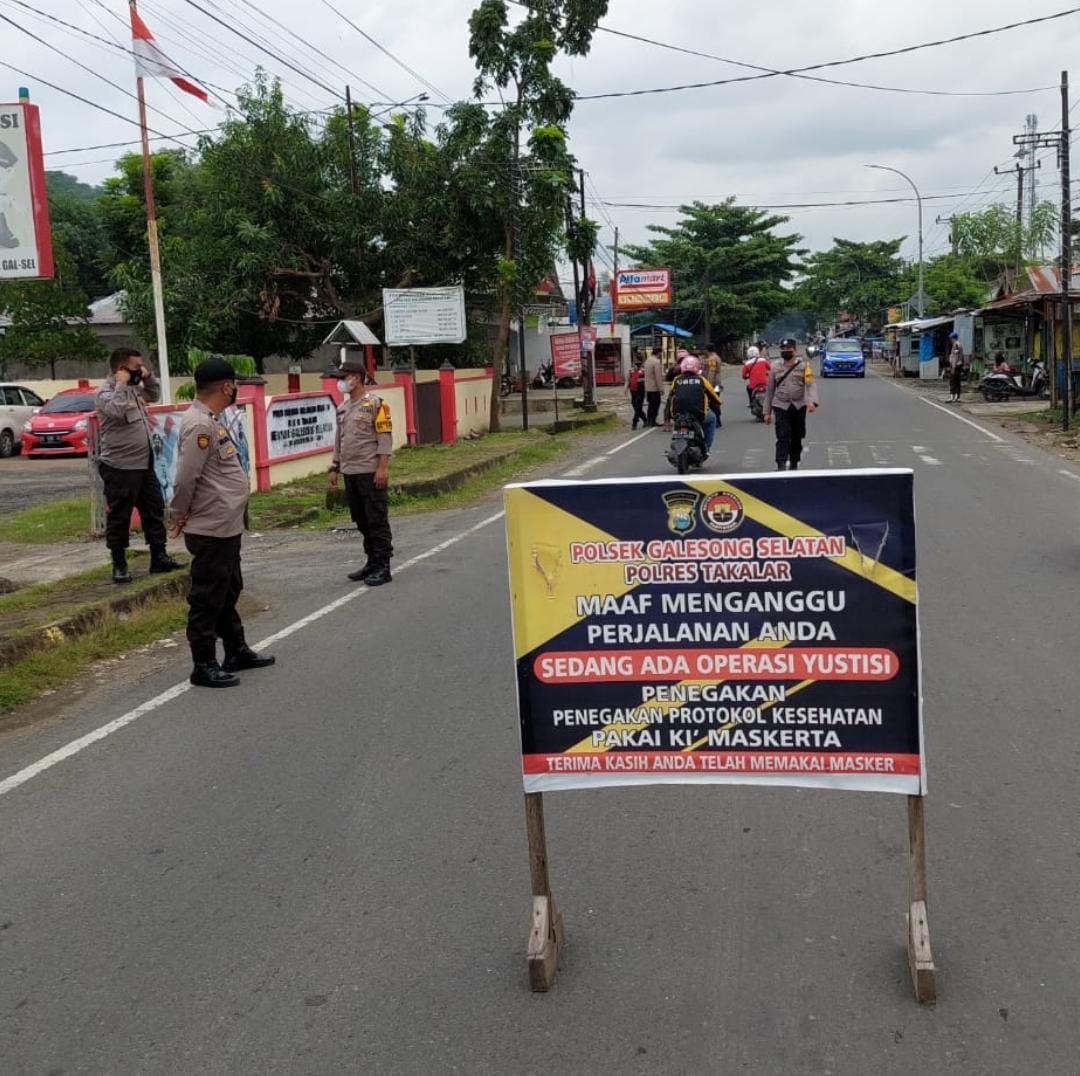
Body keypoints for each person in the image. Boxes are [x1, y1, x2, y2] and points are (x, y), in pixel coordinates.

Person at [169, 357, 275, 688]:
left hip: (225, 523)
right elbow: (186, 478)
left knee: (228, 590)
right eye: (235, 384)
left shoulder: (210, 420)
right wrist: (177, 515)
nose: (236, 389)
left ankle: (235, 650)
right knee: (208, 597)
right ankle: (203, 664)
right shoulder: (200, 425)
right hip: (211, 526)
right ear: (226, 387)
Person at [95, 347, 182, 583]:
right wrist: (122, 384)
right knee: (120, 516)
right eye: (136, 367)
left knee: (154, 510)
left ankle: (159, 557)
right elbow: (116, 410)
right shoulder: (105, 393)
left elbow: (153, 394)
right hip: (120, 466)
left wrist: (147, 376)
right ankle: (119, 564)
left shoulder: (134, 390)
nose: (139, 370)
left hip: (144, 463)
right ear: (120, 368)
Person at [328, 357, 394, 585]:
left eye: (343, 378)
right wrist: (334, 467)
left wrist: (382, 468)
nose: (339, 383)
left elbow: (384, 437)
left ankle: (383, 566)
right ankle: (372, 561)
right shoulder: (342, 409)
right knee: (361, 520)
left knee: (376, 519)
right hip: (350, 472)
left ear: (355, 379)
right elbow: (339, 440)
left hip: (370, 471)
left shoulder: (377, 404)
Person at [764, 337, 818, 471]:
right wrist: (767, 412)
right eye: (783, 349)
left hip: (799, 406)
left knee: (797, 435)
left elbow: (810, 385)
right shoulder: (774, 367)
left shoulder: (804, 366)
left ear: (795, 350)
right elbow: (770, 390)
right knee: (782, 435)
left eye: (788, 348)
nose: (785, 351)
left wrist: (812, 401)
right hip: (780, 405)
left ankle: (794, 462)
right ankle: (781, 464)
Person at [663, 354, 723, 454]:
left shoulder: (676, 380)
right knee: (712, 418)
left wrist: (668, 418)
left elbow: (671, 395)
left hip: (678, 415)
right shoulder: (701, 380)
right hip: (698, 414)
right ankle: (706, 447)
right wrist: (719, 402)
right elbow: (714, 396)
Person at [643, 348, 664, 427]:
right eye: (661, 353)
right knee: (656, 404)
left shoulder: (647, 361)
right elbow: (658, 377)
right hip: (654, 387)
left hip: (648, 387)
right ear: (658, 353)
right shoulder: (656, 362)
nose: (661, 355)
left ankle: (649, 420)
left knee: (650, 404)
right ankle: (653, 420)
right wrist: (661, 389)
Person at [626, 351, 647, 429]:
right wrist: (625, 389)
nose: (636, 363)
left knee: (638, 405)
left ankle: (635, 421)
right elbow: (628, 380)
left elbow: (647, 380)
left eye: (638, 361)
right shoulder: (631, 370)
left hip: (641, 389)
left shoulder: (644, 370)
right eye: (635, 361)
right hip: (633, 389)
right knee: (635, 405)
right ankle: (645, 419)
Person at [947, 332, 966, 403]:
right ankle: (957, 397)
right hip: (958, 365)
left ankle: (952, 397)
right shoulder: (958, 344)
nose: (950, 340)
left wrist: (953, 367)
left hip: (956, 365)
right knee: (957, 381)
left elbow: (955, 356)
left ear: (953, 338)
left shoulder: (956, 345)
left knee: (952, 381)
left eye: (950, 338)